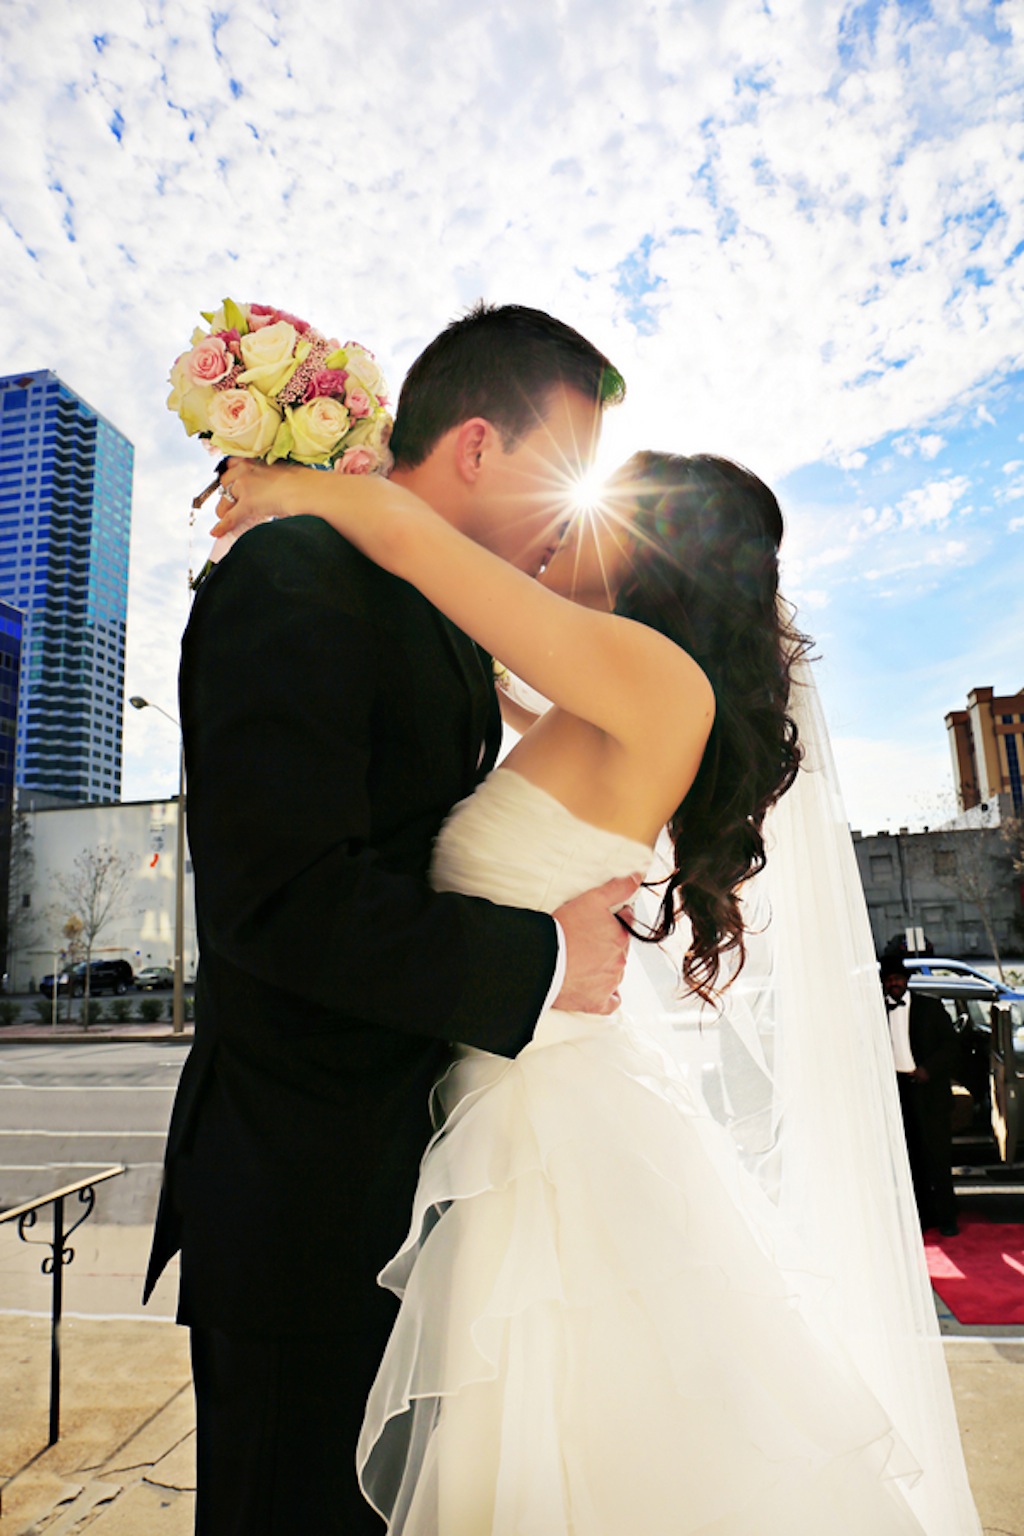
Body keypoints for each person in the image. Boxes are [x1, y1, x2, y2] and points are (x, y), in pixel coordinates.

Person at [213, 449, 982, 1533]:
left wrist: (287, 482)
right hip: (518, 1083)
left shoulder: (648, 675)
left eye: (602, 507)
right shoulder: (610, 690)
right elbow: (486, 668)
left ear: (653, 545)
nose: (565, 524)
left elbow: (415, 546)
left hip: (535, 1123)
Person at [143, 304, 640, 1536]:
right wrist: (544, 959)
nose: (566, 521)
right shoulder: (294, 571)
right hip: (308, 1210)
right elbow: (285, 903)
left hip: (414, 1200)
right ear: (477, 445)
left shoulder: (438, 614)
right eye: (560, 472)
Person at [881, 953, 961, 1237]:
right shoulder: (877, 1012)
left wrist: (928, 1069)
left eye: (898, 979)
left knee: (938, 1157)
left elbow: (951, 1045)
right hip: (899, 1092)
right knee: (911, 1158)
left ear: (906, 981)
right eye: (889, 980)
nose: (894, 984)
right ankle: (923, 1217)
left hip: (930, 1092)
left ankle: (947, 1218)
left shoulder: (930, 1007)